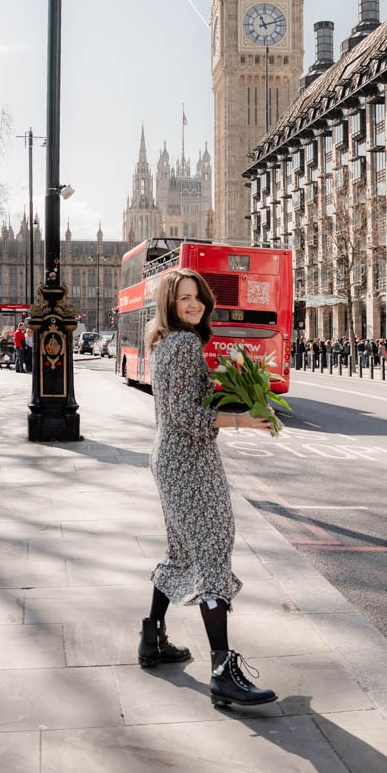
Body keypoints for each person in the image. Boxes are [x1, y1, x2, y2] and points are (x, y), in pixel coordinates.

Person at [140, 267, 277, 708]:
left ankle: (152, 639)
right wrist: (240, 420)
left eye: (197, 297)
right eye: (184, 299)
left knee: (182, 552)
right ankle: (223, 672)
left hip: (168, 458)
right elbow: (183, 414)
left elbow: (174, 409)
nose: (194, 304)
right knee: (212, 553)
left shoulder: (165, 341)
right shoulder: (182, 343)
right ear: (170, 305)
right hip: (190, 463)